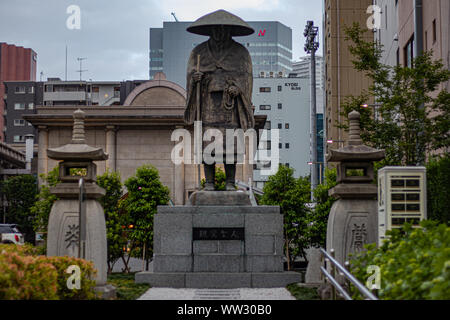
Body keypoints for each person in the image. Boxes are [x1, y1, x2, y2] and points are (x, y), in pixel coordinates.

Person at [184, 10, 255, 191]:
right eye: (216, 29)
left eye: (223, 29)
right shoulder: (198, 52)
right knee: (209, 144)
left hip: (230, 108)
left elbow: (246, 79)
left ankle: (230, 182)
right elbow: (190, 77)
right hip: (207, 105)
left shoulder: (240, 53)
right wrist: (196, 79)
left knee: (230, 145)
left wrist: (238, 89)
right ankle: (209, 182)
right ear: (210, 31)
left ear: (229, 31)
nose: (219, 33)